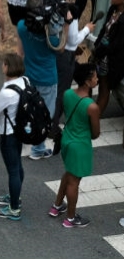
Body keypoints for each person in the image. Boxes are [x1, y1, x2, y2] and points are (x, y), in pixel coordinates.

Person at [49, 63, 100, 228]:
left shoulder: (68, 94)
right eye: (95, 77)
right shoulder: (92, 106)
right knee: (74, 182)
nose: (97, 79)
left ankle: (57, 206)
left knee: (69, 174)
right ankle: (70, 218)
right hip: (80, 145)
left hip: (67, 140)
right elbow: (95, 133)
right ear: (87, 81)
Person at [16, 0, 63, 159]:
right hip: (48, 78)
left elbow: (20, 52)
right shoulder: (50, 32)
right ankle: (38, 148)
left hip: (30, 75)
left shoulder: (22, 26)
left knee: (29, 111)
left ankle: (25, 137)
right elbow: (60, 48)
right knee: (45, 115)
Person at [0, 53, 27, 221]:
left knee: (12, 169)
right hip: (20, 130)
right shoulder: (25, 82)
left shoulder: (7, 91)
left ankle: (14, 208)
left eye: (3, 63)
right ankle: (15, 196)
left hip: (8, 133)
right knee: (17, 165)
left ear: (7, 66)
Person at [94, 0, 124, 115]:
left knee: (104, 88)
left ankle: (97, 115)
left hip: (111, 59)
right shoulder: (113, 9)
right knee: (99, 85)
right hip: (102, 54)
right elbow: (104, 29)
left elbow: (118, 44)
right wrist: (97, 45)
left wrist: (103, 50)